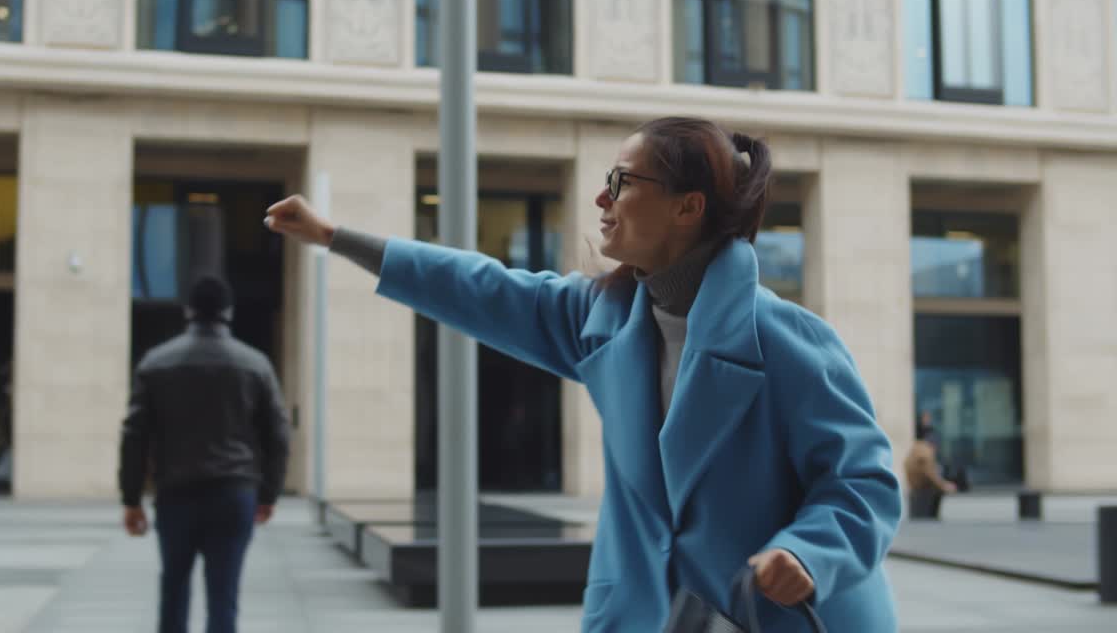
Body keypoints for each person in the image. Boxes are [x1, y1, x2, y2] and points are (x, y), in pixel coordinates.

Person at [266, 116, 902, 632]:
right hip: (647, 616)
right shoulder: (604, 315)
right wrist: (334, 237)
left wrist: (807, 552)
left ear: (687, 207)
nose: (602, 198)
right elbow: (481, 287)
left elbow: (863, 481)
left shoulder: (789, 342)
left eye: (622, 181)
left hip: (774, 619)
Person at [118, 274, 290, 633]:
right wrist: (269, 492)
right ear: (228, 311)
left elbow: (135, 435)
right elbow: (278, 435)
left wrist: (131, 498)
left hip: (175, 492)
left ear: (188, 310)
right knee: (223, 595)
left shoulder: (155, 363)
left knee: (174, 587)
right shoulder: (255, 365)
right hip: (234, 493)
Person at [905, 414, 958, 520]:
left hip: (914, 485)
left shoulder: (917, 447)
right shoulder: (926, 452)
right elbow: (930, 474)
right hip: (921, 486)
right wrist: (944, 485)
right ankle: (933, 516)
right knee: (939, 489)